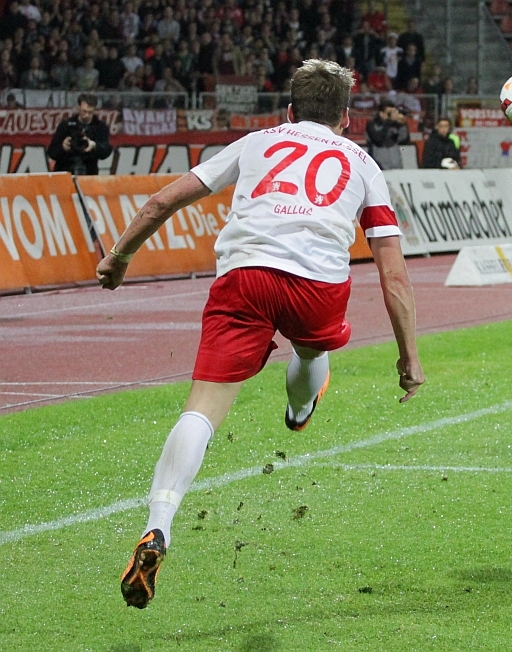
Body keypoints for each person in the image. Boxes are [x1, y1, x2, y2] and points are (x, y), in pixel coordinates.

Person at [98, 59, 425, 609]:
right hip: (317, 286)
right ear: (346, 118)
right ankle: (299, 408)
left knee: (202, 409)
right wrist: (408, 355)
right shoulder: (364, 164)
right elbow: (392, 272)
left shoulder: (256, 143)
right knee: (312, 349)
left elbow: (162, 201)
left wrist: (119, 257)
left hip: (244, 277)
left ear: (290, 111)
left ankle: (159, 524)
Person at [46, 93, 112, 175]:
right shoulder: (66, 125)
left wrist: (94, 145)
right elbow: (51, 152)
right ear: (78, 108)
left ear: (95, 110)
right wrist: (63, 147)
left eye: (90, 112)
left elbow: (106, 151)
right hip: (65, 169)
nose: (86, 115)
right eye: (84, 111)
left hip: (88, 171)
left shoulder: (100, 127)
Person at [365, 98, 411, 170]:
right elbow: (378, 140)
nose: (391, 115)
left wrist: (403, 123)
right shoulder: (372, 124)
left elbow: (404, 140)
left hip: (396, 165)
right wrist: (388, 122)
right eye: (389, 113)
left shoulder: (395, 125)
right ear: (381, 113)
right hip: (378, 166)